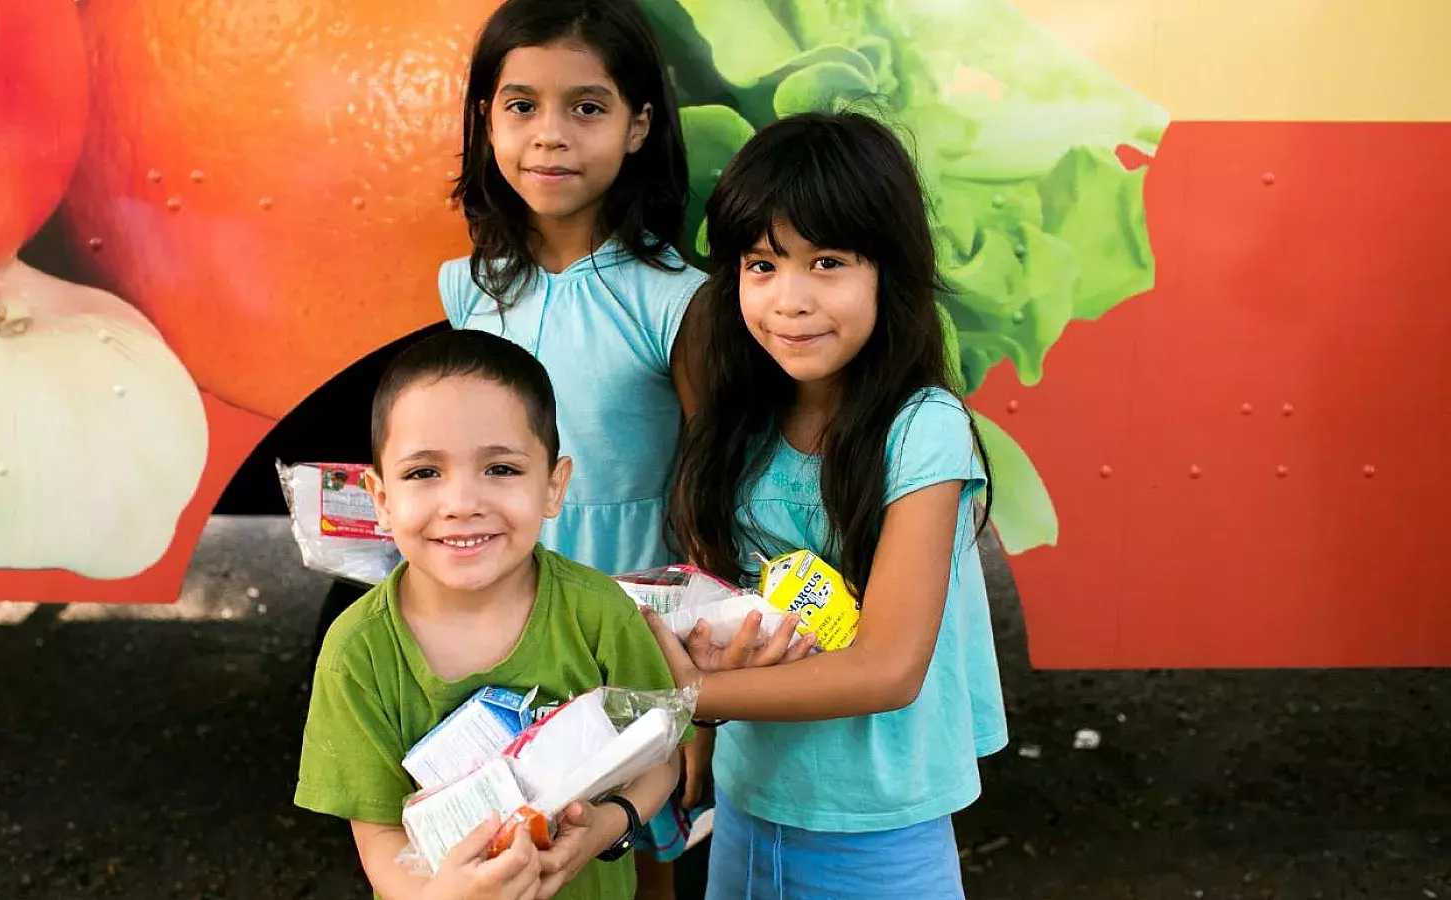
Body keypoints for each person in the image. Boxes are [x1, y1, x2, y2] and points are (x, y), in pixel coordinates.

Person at [646, 111, 1010, 900]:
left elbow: (888, 669)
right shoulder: (740, 422)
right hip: (749, 809)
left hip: (882, 833)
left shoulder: (923, 432)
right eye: (763, 264)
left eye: (829, 262)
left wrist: (684, 699)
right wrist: (701, 730)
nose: (791, 299)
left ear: (890, 272)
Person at [438, 0, 711, 894]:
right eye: (521, 106)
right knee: (503, 854)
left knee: (638, 858)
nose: (549, 136)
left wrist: (699, 705)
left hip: (631, 646)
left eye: (586, 108)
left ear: (638, 125)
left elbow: (711, 491)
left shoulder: (674, 301)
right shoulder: (467, 291)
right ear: (486, 120)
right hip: (494, 630)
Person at [295, 329, 682, 900]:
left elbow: (658, 758)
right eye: (424, 473)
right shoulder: (358, 651)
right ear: (380, 500)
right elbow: (378, 836)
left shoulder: (599, 614)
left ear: (554, 487)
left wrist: (609, 825)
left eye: (500, 469)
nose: (462, 503)